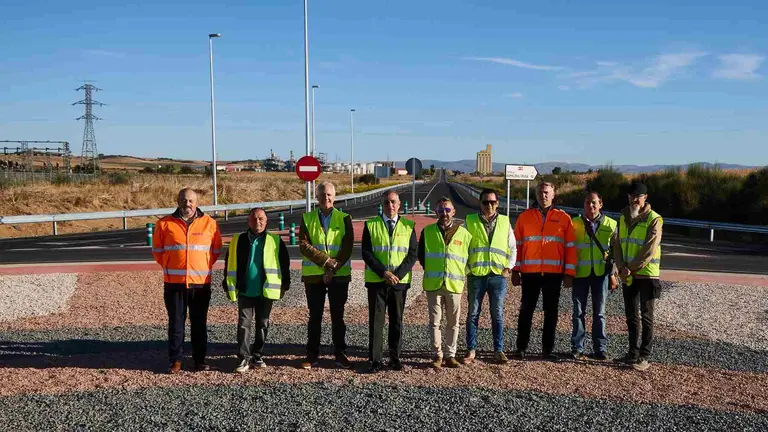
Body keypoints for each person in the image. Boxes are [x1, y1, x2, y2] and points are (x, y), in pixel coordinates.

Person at [152, 188, 222, 374]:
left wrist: (201, 267)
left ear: (196, 203)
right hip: (174, 283)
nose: (187, 204)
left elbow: (215, 251)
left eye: (191, 201)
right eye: (184, 200)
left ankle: (199, 360)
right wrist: (171, 266)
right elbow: (158, 252)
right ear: (177, 200)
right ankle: (176, 361)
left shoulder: (210, 224)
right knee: (176, 323)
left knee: (199, 324)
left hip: (201, 284)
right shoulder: (164, 224)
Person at [511, 182, 577, 361]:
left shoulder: (563, 218)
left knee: (551, 312)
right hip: (529, 273)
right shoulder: (525, 217)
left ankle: (547, 349)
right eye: (540, 193)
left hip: (553, 274)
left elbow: (571, 247)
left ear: (553, 194)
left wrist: (569, 273)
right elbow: (516, 245)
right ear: (536, 195)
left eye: (547, 193)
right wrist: (515, 270)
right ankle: (521, 347)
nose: (544, 196)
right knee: (526, 311)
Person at [223, 208, 291, 373]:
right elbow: (229, 262)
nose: (257, 222)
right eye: (254, 219)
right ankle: (243, 358)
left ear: (266, 221)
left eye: (261, 219)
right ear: (248, 221)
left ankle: (257, 355)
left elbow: (284, 263)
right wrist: (227, 283)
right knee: (243, 325)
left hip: (266, 291)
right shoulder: (238, 240)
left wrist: (285, 285)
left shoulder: (275, 240)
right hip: (245, 290)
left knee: (263, 324)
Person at [298, 181, 354, 370]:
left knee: (338, 316)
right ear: (317, 197)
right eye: (322, 194)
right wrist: (326, 263)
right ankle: (312, 354)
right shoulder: (307, 218)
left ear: (335, 196)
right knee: (315, 316)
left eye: (329, 194)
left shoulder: (345, 218)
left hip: (339, 275)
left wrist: (332, 269)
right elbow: (304, 246)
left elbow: (347, 247)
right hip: (314, 276)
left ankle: (340, 353)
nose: (326, 198)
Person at [362, 190, 418, 373]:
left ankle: (395, 357)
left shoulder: (409, 226)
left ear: (399, 204)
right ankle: (375, 360)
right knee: (376, 322)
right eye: (386, 202)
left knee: (396, 321)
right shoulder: (371, 225)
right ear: (382, 204)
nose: (390, 206)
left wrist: (397, 275)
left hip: (399, 283)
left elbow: (412, 254)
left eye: (393, 202)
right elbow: (367, 253)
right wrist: (384, 273)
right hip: (377, 282)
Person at [463, 189, 517, 365]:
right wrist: (467, 269)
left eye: (492, 202)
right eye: (486, 202)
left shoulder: (504, 222)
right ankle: (471, 349)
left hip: (497, 276)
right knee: (473, 314)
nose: (489, 205)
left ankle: (498, 350)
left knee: (498, 314)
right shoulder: (470, 221)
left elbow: (513, 248)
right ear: (480, 203)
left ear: (497, 203)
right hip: (476, 276)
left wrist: (508, 268)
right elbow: (461, 247)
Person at [613, 182, 663, 371]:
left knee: (646, 315)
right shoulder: (623, 217)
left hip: (647, 275)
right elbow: (617, 244)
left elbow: (649, 248)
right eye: (631, 196)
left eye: (638, 196)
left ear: (645, 198)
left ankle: (644, 355)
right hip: (628, 274)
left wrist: (630, 268)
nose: (634, 200)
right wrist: (620, 266)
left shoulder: (654, 219)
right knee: (631, 316)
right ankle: (632, 353)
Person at [417, 196, 472, 369]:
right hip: (434, 284)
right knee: (435, 322)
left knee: (453, 322)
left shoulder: (465, 234)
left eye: (447, 210)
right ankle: (438, 355)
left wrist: (460, 274)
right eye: (441, 210)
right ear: (436, 212)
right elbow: (422, 256)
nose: (444, 213)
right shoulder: (428, 232)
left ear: (454, 212)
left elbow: (470, 258)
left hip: (454, 285)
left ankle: (450, 355)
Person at [570, 191, 618, 361]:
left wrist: (613, 274)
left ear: (601, 204)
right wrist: (568, 273)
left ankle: (600, 348)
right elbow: (569, 249)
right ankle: (577, 347)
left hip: (601, 274)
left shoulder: (611, 225)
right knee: (578, 312)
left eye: (594, 203)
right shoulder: (574, 223)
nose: (590, 206)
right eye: (587, 202)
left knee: (600, 313)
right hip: (580, 274)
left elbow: (615, 253)